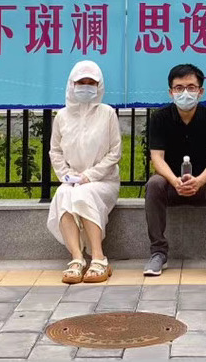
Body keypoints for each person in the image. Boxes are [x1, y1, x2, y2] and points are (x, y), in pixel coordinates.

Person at [143, 63, 206, 279]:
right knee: (154, 183)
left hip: (203, 185)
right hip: (171, 185)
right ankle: (158, 252)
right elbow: (157, 158)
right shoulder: (160, 118)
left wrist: (199, 181)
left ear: (200, 91)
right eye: (179, 88)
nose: (185, 93)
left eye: (191, 87)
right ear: (170, 92)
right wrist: (174, 181)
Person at [47, 60, 122, 284]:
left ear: (99, 86)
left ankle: (99, 258)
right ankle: (77, 258)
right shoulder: (62, 116)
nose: (86, 87)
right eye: (81, 82)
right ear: (72, 85)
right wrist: (67, 176)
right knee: (63, 194)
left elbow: (115, 153)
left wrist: (89, 176)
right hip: (72, 180)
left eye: (91, 83)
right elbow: (55, 151)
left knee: (84, 194)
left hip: (103, 180)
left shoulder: (107, 113)